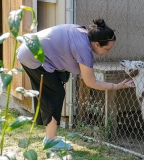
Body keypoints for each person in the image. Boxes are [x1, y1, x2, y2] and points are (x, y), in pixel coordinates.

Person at [16, 18, 135, 150]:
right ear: (96, 44)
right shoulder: (84, 49)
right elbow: (91, 82)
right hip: (31, 55)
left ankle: (50, 137)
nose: (108, 52)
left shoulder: (82, 32)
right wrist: (117, 86)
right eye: (107, 49)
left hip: (30, 49)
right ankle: (50, 141)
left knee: (52, 93)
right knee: (55, 94)